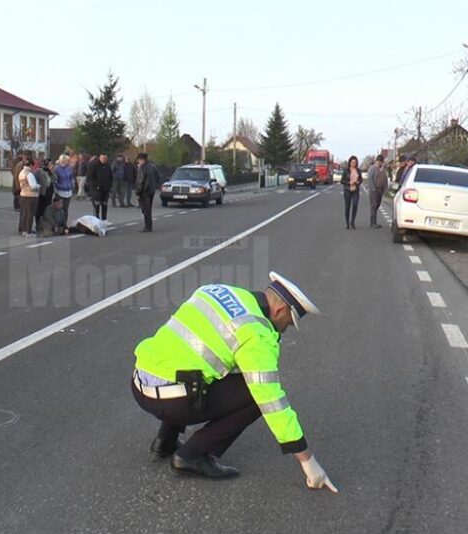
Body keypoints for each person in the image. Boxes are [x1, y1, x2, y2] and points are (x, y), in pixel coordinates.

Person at [131, 272, 339, 490]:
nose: (284, 330)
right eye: (288, 323)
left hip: (139, 383)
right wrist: (308, 461)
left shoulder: (215, 291)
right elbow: (271, 401)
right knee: (254, 395)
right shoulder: (257, 335)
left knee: (191, 362)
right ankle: (192, 456)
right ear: (280, 310)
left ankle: (165, 441)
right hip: (171, 401)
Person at [87, 152, 113, 220]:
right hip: (96, 190)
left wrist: (110, 186)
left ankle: (104, 219)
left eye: (105, 158)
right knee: (96, 205)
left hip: (105, 189)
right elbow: (90, 177)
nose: (104, 159)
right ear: (99, 158)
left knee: (105, 205)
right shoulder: (94, 166)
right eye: (102, 158)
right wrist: (97, 185)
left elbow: (110, 176)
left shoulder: (107, 166)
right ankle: (96, 220)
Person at [136, 153, 158, 232]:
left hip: (144, 192)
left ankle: (147, 227)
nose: (138, 162)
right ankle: (149, 226)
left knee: (145, 210)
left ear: (142, 160)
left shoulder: (142, 168)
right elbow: (157, 177)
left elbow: (141, 181)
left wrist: (138, 192)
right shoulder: (153, 167)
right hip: (151, 190)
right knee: (148, 209)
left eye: (139, 160)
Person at [18, 157, 39, 236]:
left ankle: (24, 230)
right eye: (33, 166)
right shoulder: (29, 173)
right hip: (31, 196)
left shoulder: (22, 172)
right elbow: (33, 186)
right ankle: (28, 231)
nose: (33, 167)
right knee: (30, 214)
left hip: (23, 194)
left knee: (24, 213)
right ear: (30, 165)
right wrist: (38, 186)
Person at [340, 155, 363, 229]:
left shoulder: (358, 170)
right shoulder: (346, 171)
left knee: (355, 205)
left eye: (355, 162)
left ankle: (352, 221)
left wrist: (357, 182)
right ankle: (347, 223)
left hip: (355, 190)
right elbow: (342, 181)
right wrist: (349, 183)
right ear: (349, 163)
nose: (353, 164)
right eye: (352, 162)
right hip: (347, 189)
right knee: (347, 206)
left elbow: (361, 180)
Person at [53, 154, 76, 228]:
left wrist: (72, 185)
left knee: (66, 210)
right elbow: (55, 181)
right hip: (60, 192)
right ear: (62, 160)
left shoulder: (69, 168)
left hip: (68, 192)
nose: (68, 162)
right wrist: (59, 186)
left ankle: (64, 224)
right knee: (59, 210)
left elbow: (70, 178)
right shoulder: (56, 169)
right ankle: (58, 225)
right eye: (67, 160)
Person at [34, 159, 56, 232]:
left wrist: (51, 171)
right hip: (42, 194)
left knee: (47, 210)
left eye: (51, 164)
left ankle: (45, 225)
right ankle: (38, 225)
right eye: (49, 164)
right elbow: (35, 181)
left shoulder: (50, 171)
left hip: (49, 194)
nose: (50, 166)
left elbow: (55, 178)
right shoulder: (38, 171)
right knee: (39, 210)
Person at [367, 155, 388, 228]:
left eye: (381, 162)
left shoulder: (383, 170)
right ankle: (373, 222)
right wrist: (373, 188)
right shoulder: (372, 168)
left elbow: (385, 180)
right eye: (378, 162)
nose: (379, 163)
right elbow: (369, 179)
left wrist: (385, 189)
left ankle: (374, 222)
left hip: (380, 190)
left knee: (377, 205)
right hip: (374, 190)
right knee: (374, 205)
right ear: (376, 161)